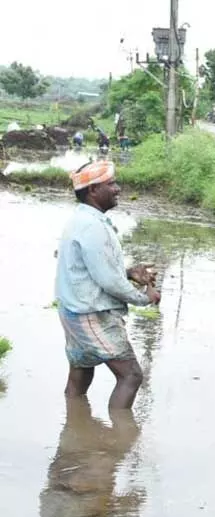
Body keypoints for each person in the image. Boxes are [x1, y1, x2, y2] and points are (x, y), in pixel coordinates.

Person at [56, 160, 161, 410]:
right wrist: (146, 297)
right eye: (111, 184)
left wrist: (127, 272)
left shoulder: (82, 220)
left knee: (81, 372)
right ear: (93, 190)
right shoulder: (93, 227)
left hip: (73, 310)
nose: (118, 189)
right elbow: (110, 282)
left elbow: (91, 270)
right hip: (90, 314)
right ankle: (117, 443)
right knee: (131, 375)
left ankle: (75, 431)